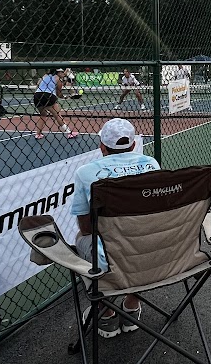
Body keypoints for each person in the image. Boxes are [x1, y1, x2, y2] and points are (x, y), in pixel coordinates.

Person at [70, 118, 160, 336]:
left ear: (102, 146)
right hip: (155, 253)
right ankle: (131, 304)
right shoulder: (152, 164)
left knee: (79, 238)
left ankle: (104, 311)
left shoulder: (85, 173)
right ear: (132, 145)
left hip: (109, 259)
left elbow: (86, 227)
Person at [33, 69, 78, 140]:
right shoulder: (58, 80)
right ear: (58, 72)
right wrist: (65, 97)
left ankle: (38, 134)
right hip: (49, 96)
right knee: (57, 115)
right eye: (62, 72)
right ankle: (69, 133)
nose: (63, 73)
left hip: (37, 95)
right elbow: (59, 94)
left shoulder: (45, 76)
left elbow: (38, 84)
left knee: (43, 115)